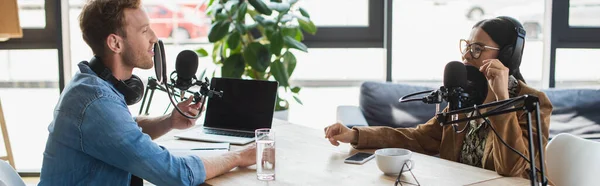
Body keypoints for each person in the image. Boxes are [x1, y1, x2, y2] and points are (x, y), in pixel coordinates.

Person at [38, 0, 256, 185]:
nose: (154, 38)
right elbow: (176, 174)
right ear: (115, 43)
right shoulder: (97, 102)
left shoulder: (92, 85)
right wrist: (239, 156)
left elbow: (126, 129)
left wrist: (169, 121)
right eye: (144, 31)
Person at [324, 16, 553, 181]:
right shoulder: (465, 96)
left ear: (505, 55)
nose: (466, 56)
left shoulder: (533, 102)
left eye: (477, 49)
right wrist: (355, 133)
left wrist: (502, 98)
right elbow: (418, 138)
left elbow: (512, 169)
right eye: (467, 47)